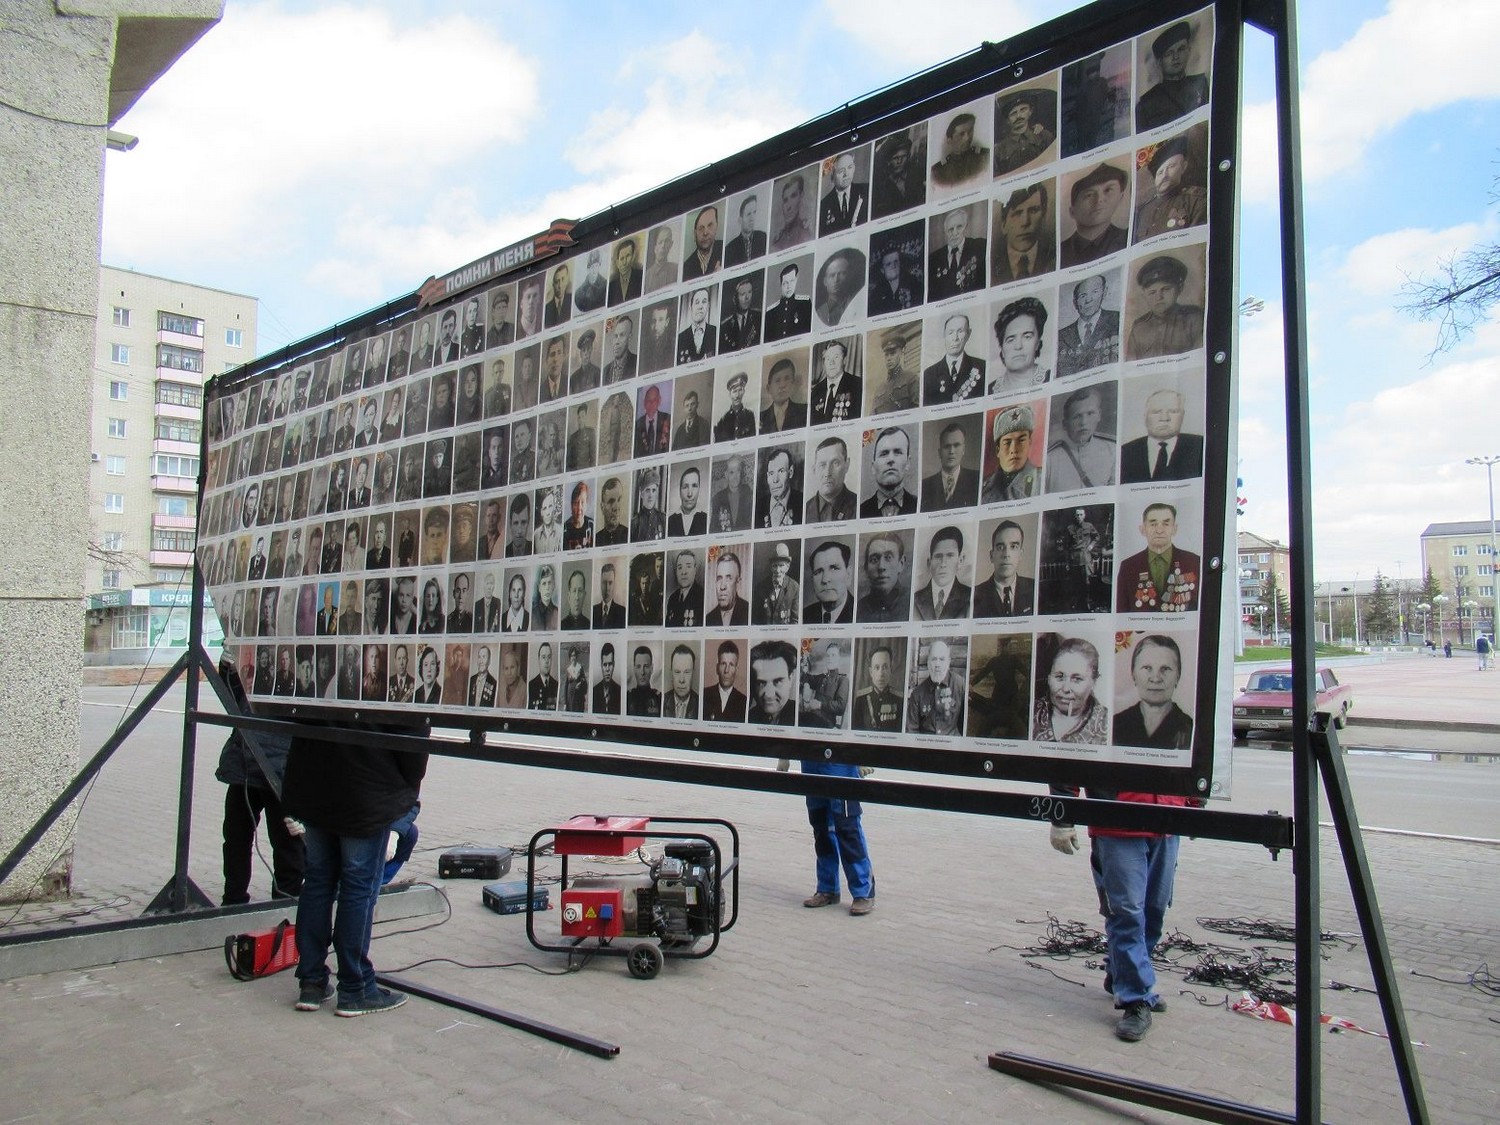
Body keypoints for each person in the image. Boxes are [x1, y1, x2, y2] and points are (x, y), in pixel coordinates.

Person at [1049, 646, 1195, 1040]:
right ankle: (1135, 998)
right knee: (1127, 912)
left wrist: (1193, 806)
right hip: (1117, 827)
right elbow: (1069, 758)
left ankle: (1124, 974)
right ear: (1132, 674)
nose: (1156, 676)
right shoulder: (1105, 720)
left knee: (1154, 911)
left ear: (1178, 676)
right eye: (1146, 667)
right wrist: (1062, 817)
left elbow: (1199, 762)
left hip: (1166, 822)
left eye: (1166, 669)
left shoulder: (1186, 723)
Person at [282, 717, 428, 1017]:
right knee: (357, 887)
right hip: (365, 788)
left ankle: (311, 982)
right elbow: (412, 741)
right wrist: (403, 791)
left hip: (315, 782)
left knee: (318, 882)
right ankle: (355, 987)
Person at [215, 653, 304, 905]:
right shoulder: (256, 665)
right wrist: (228, 668)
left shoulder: (296, 672)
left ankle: (283, 902)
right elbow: (234, 698)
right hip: (247, 762)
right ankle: (239, 900)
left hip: (280, 766)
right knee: (238, 837)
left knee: (285, 841)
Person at [1117, 502, 1201, 613]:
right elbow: (1121, 612)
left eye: (1166, 524)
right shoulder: (1128, 566)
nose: (1159, 530)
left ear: (1174, 528)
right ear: (1143, 529)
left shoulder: (1194, 562)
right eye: (1153, 524)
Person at [1135, 20, 1210, 131]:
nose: (1176, 57)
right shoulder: (1146, 104)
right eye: (1169, 53)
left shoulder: (1201, 84)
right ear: (1159, 62)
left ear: (1189, 50)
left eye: (1181, 49)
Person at [1126, 256, 1204, 359]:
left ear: (1180, 288)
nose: (1159, 297)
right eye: (1152, 292)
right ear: (1144, 294)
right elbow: (1131, 365)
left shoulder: (1194, 319)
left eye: (1166, 289)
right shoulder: (1139, 328)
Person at [1120, 388, 1204, 482]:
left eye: (1173, 411)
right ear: (1145, 416)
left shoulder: (1200, 446)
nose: (1164, 418)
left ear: (1183, 415)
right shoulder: (1125, 452)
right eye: (1156, 412)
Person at [1134, 136, 1206, 241]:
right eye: (1160, 172)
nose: (1164, 175)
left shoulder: (1196, 200)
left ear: (1183, 167)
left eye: (1171, 167)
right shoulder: (1143, 212)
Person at [1046, 385, 1116, 491]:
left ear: (1099, 415)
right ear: (1065, 424)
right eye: (1077, 416)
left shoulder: (1112, 450)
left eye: (1090, 414)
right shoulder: (1050, 459)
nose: (1083, 422)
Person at [1060, 163, 1130, 267]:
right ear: (1072, 211)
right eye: (1089, 195)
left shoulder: (1129, 238)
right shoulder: (1058, 251)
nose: (1099, 200)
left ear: (1121, 197)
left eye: (1107, 190)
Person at [1056, 274, 1121, 377]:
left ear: (1104, 293)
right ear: (1075, 303)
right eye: (1083, 296)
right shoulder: (1061, 335)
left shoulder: (1117, 319)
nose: (1088, 300)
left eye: (1095, 292)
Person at [991, 183, 1055, 284]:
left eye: (1033, 211)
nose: (1025, 222)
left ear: (1043, 216)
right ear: (1003, 224)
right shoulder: (991, 264)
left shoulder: (1053, 257)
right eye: (1017, 213)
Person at [973, 520, 1036, 617]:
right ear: (991, 556)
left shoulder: (1035, 588)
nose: (1006, 554)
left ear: (1020, 555)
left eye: (1013, 546)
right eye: (1000, 547)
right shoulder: (975, 595)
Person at [981, 404, 1042, 503]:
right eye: (1007, 442)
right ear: (997, 450)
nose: (1014, 449)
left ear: (1029, 443)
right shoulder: (983, 487)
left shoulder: (1042, 479)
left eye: (1021, 440)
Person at [990, 297, 1050, 395]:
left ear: (1037, 343)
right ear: (1002, 348)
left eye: (1027, 337)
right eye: (1010, 339)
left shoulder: (1052, 378)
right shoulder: (990, 390)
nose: (1018, 346)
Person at [922, 313, 986, 404]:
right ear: (944, 335)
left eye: (960, 331)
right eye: (950, 332)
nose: (955, 338)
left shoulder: (982, 367)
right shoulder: (929, 375)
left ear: (968, 334)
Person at [927, 206, 987, 301]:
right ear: (945, 232)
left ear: (965, 227)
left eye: (959, 227)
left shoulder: (979, 247)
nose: (955, 233)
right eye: (950, 229)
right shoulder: (933, 258)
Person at [907, 639, 965, 735]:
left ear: (948, 662)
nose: (937, 664)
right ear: (928, 662)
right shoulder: (917, 694)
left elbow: (964, 725)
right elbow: (911, 731)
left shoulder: (960, 685)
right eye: (934, 659)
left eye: (942, 659)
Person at [913, 526, 972, 621]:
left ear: (960, 561)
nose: (943, 564)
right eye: (938, 556)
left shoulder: (970, 596)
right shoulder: (915, 599)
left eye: (950, 556)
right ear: (929, 563)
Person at [920, 421, 980, 511]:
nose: (951, 451)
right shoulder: (924, 486)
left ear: (963, 450)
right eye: (947, 446)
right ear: (939, 452)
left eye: (956, 445)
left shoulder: (977, 479)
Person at [860, 426, 918, 517]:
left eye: (897, 452)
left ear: (908, 463)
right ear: (873, 467)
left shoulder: (921, 505)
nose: (891, 459)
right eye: (884, 454)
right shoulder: (861, 511)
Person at [994, 89, 1055, 175]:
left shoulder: (1044, 136)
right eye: (1013, 113)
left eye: (1023, 110)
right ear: (1007, 120)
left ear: (1030, 111)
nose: (1019, 116)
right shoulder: (998, 151)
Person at [857, 533, 910, 623]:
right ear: (866, 567)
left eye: (888, 558)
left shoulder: (912, 601)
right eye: (874, 559)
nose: (881, 567)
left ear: (901, 564)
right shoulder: (859, 608)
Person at [871, 131, 924, 218]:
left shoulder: (916, 175)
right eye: (895, 158)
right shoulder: (883, 184)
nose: (899, 161)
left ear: (908, 156)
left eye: (903, 157)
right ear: (888, 161)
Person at [930, 110, 988, 188]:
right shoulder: (938, 171)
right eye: (961, 134)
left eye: (970, 131)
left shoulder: (984, 156)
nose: (967, 138)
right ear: (949, 140)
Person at [809, 340, 862, 427]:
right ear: (824, 363)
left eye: (836, 357)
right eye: (828, 359)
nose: (831, 362)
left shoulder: (857, 385)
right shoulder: (815, 391)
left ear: (844, 360)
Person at [805, 436, 857, 524]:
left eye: (835, 463)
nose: (827, 473)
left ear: (847, 465)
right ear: (814, 469)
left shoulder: (859, 505)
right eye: (822, 465)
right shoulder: (803, 510)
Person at [852, 643, 903, 731]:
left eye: (885, 667)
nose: (881, 673)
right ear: (871, 672)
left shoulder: (900, 700)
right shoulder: (861, 699)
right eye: (877, 667)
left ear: (890, 670)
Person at [748, 639, 797, 725]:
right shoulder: (748, 717)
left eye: (777, 682)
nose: (769, 695)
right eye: (761, 683)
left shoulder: (810, 720)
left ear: (791, 679)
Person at [804, 541, 855, 625]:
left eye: (834, 568)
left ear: (848, 574)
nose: (825, 579)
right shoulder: (804, 615)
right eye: (818, 572)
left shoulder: (861, 612)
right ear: (812, 579)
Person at [819, 151, 868, 234]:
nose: (846, 174)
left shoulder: (865, 190)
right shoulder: (823, 205)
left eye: (849, 167)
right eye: (841, 171)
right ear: (832, 176)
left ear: (854, 168)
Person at [814, 249, 864, 329]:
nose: (836, 280)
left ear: (849, 277)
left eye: (842, 274)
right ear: (825, 281)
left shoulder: (858, 302)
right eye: (832, 275)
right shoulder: (821, 313)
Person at [754, 446, 802, 529]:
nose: (775, 480)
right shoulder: (758, 506)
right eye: (771, 473)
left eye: (781, 471)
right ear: (767, 476)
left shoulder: (802, 502)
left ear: (790, 472)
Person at [867, 244, 922, 315]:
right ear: (882, 270)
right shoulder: (877, 293)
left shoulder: (914, 285)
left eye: (896, 261)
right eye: (888, 264)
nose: (893, 266)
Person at [763, 262, 812, 342]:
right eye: (785, 283)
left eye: (792, 281)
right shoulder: (770, 312)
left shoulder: (805, 303)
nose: (789, 286)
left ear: (796, 280)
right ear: (780, 285)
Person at [754, 541, 800, 626]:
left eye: (781, 565)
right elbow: (755, 620)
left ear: (787, 567)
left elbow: (795, 621)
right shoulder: (760, 588)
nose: (778, 570)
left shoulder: (794, 587)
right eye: (775, 566)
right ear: (771, 567)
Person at [759, 358, 807, 433]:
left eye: (787, 379)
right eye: (777, 380)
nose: (782, 385)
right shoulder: (760, 418)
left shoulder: (805, 411)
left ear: (793, 384)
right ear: (769, 388)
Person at [703, 640, 747, 722]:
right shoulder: (704, 695)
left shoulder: (744, 701)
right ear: (717, 668)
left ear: (736, 670)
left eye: (731, 665)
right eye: (723, 664)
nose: (726, 670)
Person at [771, 172, 814, 252]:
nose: (788, 207)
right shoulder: (777, 240)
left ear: (801, 196)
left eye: (793, 196)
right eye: (785, 200)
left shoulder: (806, 233)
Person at [719, 275, 762, 353]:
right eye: (743, 294)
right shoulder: (724, 326)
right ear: (735, 298)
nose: (747, 297)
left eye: (750, 292)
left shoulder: (760, 317)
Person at [681, 205, 722, 281]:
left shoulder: (725, 249)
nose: (705, 233)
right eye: (701, 228)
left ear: (716, 227)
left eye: (710, 225)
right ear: (694, 234)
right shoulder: (685, 268)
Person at [713, 370, 757, 442]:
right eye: (734, 391)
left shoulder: (749, 416)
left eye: (740, 390)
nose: (737, 396)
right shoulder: (723, 420)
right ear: (730, 394)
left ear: (743, 392)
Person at [664, 550, 704, 628]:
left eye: (688, 566)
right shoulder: (672, 598)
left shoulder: (702, 596)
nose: (683, 572)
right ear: (676, 572)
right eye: (680, 567)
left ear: (695, 570)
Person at [724, 193, 767, 266]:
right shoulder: (729, 249)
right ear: (740, 220)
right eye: (748, 214)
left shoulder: (763, 237)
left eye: (754, 212)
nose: (752, 218)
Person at [634, 384, 672, 457]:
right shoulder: (637, 424)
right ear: (644, 402)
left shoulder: (667, 419)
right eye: (649, 400)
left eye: (654, 400)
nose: (651, 403)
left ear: (659, 401)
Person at [667, 466, 707, 536]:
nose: (689, 494)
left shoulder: (706, 519)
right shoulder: (669, 521)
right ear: (680, 491)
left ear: (699, 489)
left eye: (694, 486)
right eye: (685, 487)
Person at [664, 645, 700, 720]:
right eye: (677, 672)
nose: (681, 680)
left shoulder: (701, 704)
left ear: (693, 673)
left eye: (687, 672)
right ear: (671, 673)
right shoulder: (661, 700)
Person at [631, 466, 667, 542]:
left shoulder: (663, 519)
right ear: (641, 494)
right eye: (647, 490)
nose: (651, 495)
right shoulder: (634, 523)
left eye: (653, 490)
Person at [640, 302, 677, 374]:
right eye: (653, 321)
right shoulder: (643, 345)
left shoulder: (673, 344)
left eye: (660, 320)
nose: (656, 327)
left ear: (667, 322)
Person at [603, 313, 638, 385]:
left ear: (629, 337)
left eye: (622, 335)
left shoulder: (637, 362)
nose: (617, 342)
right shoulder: (605, 370)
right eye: (615, 336)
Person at [626, 645, 661, 716]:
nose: (642, 672)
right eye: (638, 666)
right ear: (634, 669)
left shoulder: (659, 698)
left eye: (646, 667)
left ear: (652, 668)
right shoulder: (627, 697)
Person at [608, 238, 644, 305]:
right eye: (622, 259)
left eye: (628, 256)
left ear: (633, 257)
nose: (624, 262)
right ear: (617, 263)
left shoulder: (641, 276)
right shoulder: (611, 286)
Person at [595, 477, 629, 546]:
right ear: (602, 507)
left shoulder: (630, 534)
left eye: (619, 500)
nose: (616, 507)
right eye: (611, 501)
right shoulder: (596, 539)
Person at [592, 561, 627, 628]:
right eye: (604, 583)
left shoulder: (622, 612)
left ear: (614, 584)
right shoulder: (593, 611)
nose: (607, 588)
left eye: (610, 583)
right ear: (600, 583)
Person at [644, 225, 678, 293]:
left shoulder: (676, 269)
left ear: (671, 244)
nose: (663, 246)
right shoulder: (647, 276)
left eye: (667, 241)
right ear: (655, 246)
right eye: (660, 242)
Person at [591, 643, 622, 715]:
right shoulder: (594, 691)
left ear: (614, 665)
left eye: (610, 664)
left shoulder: (620, 691)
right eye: (605, 665)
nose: (607, 669)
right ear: (601, 666)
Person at [528, 642, 559, 710]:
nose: (547, 661)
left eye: (549, 657)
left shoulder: (556, 685)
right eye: (543, 657)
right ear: (539, 660)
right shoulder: (531, 686)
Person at [531, 563, 561, 630]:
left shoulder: (558, 612)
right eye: (544, 583)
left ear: (553, 585)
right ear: (539, 588)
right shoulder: (532, 614)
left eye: (549, 583)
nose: (547, 588)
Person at [468, 643, 497, 708]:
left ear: (489, 661)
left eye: (484, 657)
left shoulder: (493, 683)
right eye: (479, 657)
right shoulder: (471, 680)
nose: (481, 661)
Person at [543, 263, 572, 328]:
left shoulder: (572, 300)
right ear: (553, 285)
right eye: (556, 282)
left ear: (567, 281)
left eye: (563, 279)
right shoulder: (547, 309)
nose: (560, 286)